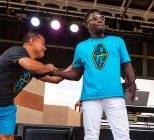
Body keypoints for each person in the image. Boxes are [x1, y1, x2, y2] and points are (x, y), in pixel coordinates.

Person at [53, 9, 136, 140]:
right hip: (90, 98)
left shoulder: (117, 41)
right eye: (94, 18)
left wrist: (132, 83)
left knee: (123, 135)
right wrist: (57, 72)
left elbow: (127, 65)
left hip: (115, 96)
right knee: (91, 136)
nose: (99, 20)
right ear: (87, 25)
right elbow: (76, 74)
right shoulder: (81, 47)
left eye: (101, 17)